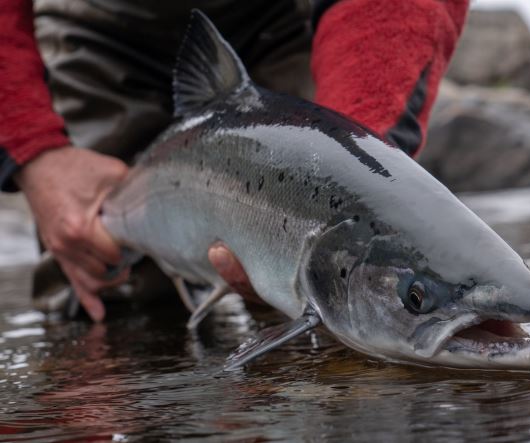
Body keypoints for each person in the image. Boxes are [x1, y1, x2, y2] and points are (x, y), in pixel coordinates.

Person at [0, 0, 469, 321]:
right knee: (106, 297)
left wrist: (355, 158)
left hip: (283, 18)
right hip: (94, 23)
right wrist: (34, 151)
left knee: (320, 318)